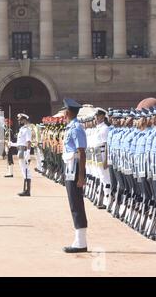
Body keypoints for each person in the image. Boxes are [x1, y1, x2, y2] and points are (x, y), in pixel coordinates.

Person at [61, 98, 88, 253]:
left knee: (76, 204)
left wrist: (81, 176)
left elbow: (82, 152)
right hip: (70, 167)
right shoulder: (71, 126)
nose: (64, 112)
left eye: (65, 109)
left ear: (69, 111)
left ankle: (81, 241)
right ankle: (79, 239)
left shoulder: (76, 128)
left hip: (76, 168)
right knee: (74, 204)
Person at [9, 113, 32, 197]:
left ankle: (27, 190)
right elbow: (20, 143)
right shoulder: (22, 129)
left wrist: (28, 153)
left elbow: (28, 142)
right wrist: (12, 144)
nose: (19, 121)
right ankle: (25, 190)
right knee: (23, 170)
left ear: (24, 120)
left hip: (24, 152)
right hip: (20, 151)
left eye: (20, 120)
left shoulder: (27, 129)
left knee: (26, 171)